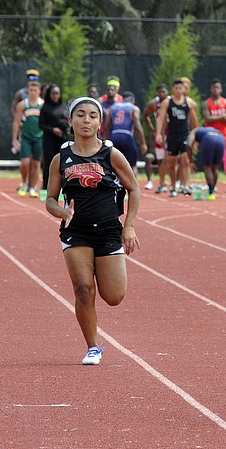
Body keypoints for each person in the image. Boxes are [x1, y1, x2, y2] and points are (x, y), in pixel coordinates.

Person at [44, 96, 140, 365]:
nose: (86, 120)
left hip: (109, 230)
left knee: (113, 296)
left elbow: (134, 188)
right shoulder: (60, 158)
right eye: (81, 115)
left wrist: (129, 225)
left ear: (100, 122)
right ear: (71, 121)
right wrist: (61, 211)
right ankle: (93, 347)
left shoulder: (111, 154)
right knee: (84, 289)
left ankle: (107, 271)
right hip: (76, 232)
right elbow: (50, 199)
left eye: (92, 116)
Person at [155, 78, 198, 197]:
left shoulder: (189, 102)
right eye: (176, 88)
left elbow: (194, 120)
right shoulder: (167, 102)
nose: (178, 90)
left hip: (185, 134)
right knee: (172, 162)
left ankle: (185, 186)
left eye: (181, 88)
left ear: (184, 89)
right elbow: (161, 118)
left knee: (185, 160)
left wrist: (196, 134)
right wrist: (159, 134)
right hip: (172, 135)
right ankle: (173, 186)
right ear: (173, 89)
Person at [202, 79, 226, 193]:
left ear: (221, 89)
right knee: (212, 162)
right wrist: (221, 117)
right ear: (211, 89)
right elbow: (207, 118)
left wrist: (223, 117)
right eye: (214, 88)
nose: (216, 90)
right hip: (210, 134)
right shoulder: (207, 103)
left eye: (218, 87)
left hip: (224, 133)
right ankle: (212, 184)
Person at [12, 80, 44, 198]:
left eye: (35, 90)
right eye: (30, 90)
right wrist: (14, 139)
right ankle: (24, 182)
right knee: (25, 163)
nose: (33, 92)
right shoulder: (22, 105)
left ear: (39, 91)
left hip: (39, 137)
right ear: (27, 91)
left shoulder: (42, 104)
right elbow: (16, 122)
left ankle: (33, 187)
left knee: (36, 164)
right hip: (26, 137)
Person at [104, 91, 147, 174]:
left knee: (112, 164)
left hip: (114, 135)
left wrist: (106, 140)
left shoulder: (112, 107)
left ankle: (114, 185)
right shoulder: (134, 108)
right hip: (127, 136)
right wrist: (143, 143)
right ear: (132, 100)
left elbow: (106, 126)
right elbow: (137, 126)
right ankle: (133, 186)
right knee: (132, 165)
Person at [39, 84, 69, 191]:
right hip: (49, 139)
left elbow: (68, 121)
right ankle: (46, 186)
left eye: (57, 93)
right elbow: (41, 125)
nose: (55, 96)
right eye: (53, 93)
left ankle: (62, 186)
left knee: (62, 162)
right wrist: (53, 130)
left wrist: (64, 124)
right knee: (49, 162)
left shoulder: (64, 107)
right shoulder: (45, 108)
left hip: (62, 139)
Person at [187, 125, 226, 200]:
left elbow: (189, 145)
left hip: (208, 139)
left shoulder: (194, 131)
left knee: (207, 167)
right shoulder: (207, 129)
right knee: (215, 167)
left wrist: (191, 161)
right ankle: (212, 191)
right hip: (221, 138)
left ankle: (211, 192)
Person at [143, 84, 169, 190]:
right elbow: (145, 115)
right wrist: (152, 129)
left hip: (170, 133)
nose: (162, 94)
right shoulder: (154, 103)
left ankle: (176, 182)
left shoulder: (171, 102)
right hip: (159, 135)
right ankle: (156, 182)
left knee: (173, 158)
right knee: (160, 158)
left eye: (164, 91)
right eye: (160, 92)